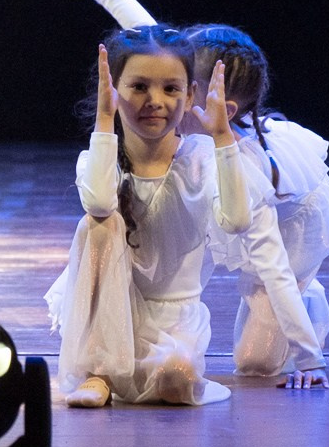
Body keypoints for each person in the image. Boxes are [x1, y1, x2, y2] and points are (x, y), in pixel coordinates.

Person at [38, 0, 329, 388]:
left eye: (177, 85)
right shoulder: (186, 108)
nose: (162, 91)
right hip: (230, 197)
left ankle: (309, 303)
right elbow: (151, 40)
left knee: (256, 363)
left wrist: (310, 358)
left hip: (295, 229)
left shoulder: (238, 164)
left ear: (206, 99)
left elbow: (273, 262)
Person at [46, 27, 255, 407]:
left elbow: (238, 221)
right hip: (113, 313)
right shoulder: (99, 161)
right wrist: (105, 121)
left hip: (175, 318)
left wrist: (224, 139)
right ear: (112, 90)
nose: (154, 101)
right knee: (99, 224)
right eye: (139, 87)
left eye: (171, 89)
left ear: (190, 94)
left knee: (177, 381)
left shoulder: (199, 159)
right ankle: (99, 371)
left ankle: (132, 372)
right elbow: (98, 202)